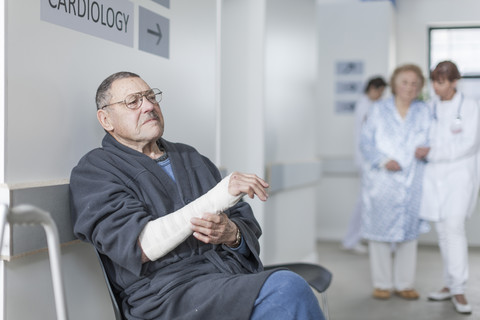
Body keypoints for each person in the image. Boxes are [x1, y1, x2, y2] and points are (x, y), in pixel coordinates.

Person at [69, 71, 325, 320]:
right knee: (286, 289)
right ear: (106, 120)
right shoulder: (95, 172)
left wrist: (232, 234)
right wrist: (219, 197)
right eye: (133, 101)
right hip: (166, 295)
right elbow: (141, 245)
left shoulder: (190, 157)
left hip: (226, 277)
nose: (148, 106)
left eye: (151, 97)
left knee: (283, 298)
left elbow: (244, 223)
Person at [360, 64, 430, 301]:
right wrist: (382, 160)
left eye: (414, 83)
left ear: (420, 87)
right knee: (379, 235)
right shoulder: (378, 109)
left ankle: (404, 284)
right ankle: (382, 283)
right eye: (404, 82)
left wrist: (428, 150)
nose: (409, 87)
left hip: (412, 181)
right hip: (382, 180)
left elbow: (433, 139)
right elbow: (366, 142)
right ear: (394, 84)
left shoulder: (425, 110)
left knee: (408, 235)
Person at [415, 61, 480, 314]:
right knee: (443, 231)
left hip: (458, 177)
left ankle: (460, 289)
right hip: (434, 177)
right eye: (434, 81)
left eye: (441, 82)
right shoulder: (429, 107)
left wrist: (433, 152)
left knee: (454, 227)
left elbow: (468, 144)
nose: (436, 86)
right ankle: (449, 284)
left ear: (454, 82)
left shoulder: (470, 106)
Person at [342, 76, 387, 254]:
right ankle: (351, 240)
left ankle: (353, 239)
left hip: (368, 161)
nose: (381, 96)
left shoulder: (368, 105)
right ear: (373, 89)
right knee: (364, 202)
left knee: (366, 201)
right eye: (380, 92)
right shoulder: (366, 107)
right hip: (367, 162)